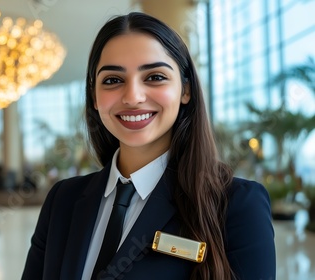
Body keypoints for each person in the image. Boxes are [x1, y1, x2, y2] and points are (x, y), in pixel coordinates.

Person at [22, 12, 275, 280]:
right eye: (112, 80)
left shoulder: (236, 204)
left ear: (185, 90)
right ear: (94, 96)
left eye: (154, 77)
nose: (133, 97)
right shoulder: (63, 200)